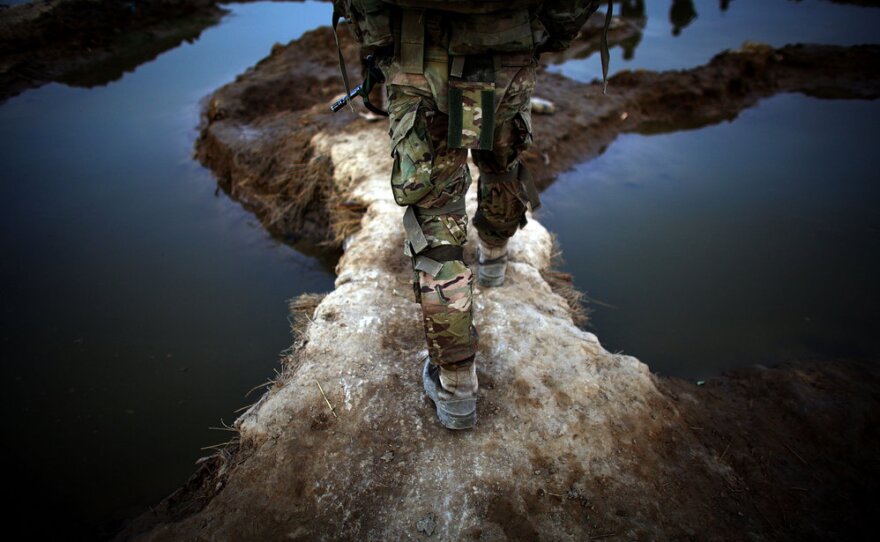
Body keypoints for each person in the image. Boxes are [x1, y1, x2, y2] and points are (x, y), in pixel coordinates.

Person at [334, 0, 608, 429]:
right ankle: (494, 258)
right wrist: (538, 37)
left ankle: (457, 388)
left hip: (418, 65)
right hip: (505, 66)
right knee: (501, 167)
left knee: (436, 221)